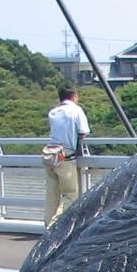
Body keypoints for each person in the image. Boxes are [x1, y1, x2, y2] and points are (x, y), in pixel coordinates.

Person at [43, 86, 91, 226]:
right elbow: (83, 132)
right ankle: (62, 226)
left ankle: (48, 225)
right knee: (70, 194)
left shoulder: (53, 112)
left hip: (49, 154)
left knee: (52, 195)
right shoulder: (76, 110)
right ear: (74, 96)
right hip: (65, 156)